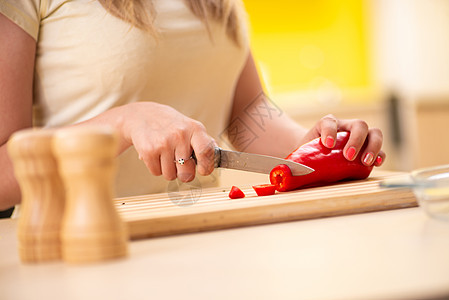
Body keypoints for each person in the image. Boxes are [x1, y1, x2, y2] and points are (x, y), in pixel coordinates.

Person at [0, 0, 385, 213]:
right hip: (79, 245)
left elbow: (249, 115)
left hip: (199, 231)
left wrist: (316, 148)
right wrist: (123, 122)